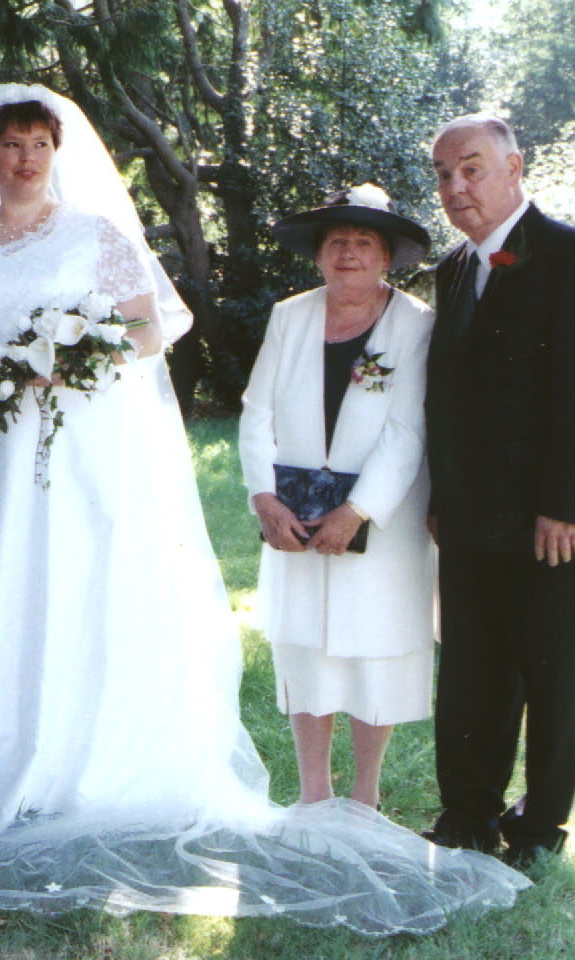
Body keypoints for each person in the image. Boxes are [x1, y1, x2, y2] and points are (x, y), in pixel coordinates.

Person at [0, 84, 528, 932]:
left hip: (62, 459)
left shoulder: (98, 236)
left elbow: (148, 333)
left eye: (41, 143)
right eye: (12, 144)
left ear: (55, 153)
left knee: (60, 591)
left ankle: (64, 762)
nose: (26, 157)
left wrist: (74, 359)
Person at [423, 114, 575, 868]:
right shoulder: (450, 270)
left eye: (471, 168)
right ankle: (466, 816)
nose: (456, 186)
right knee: (471, 675)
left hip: (553, 521)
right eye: (444, 174)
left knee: (552, 677)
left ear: (514, 166)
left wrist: (565, 506)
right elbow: (446, 399)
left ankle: (538, 829)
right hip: (470, 518)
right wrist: (442, 500)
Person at [239, 185, 436, 809]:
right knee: (305, 646)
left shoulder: (415, 323)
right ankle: (313, 796)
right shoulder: (289, 315)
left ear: (386, 257)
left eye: (364, 243)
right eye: (336, 243)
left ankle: (366, 797)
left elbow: (407, 429)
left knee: (373, 645)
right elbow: (255, 412)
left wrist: (358, 511)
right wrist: (263, 497)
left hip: (381, 515)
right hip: (293, 517)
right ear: (319, 255)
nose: (348, 254)